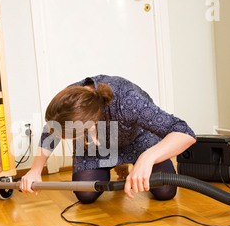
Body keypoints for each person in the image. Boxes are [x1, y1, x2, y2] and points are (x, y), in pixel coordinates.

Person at [20, 75, 197, 204]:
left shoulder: (127, 100)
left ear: (92, 124)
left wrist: (147, 158)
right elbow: (51, 131)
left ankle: (131, 162)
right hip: (97, 147)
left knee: (165, 191)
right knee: (86, 195)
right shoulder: (68, 101)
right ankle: (116, 165)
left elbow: (185, 133)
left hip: (137, 140)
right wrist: (35, 170)